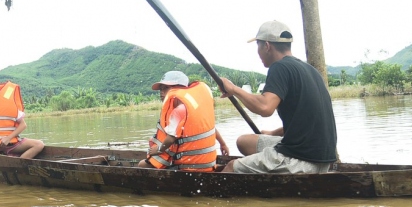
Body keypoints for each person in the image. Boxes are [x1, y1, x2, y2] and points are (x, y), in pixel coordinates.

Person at [218, 21, 338, 174]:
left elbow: (265, 107)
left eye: (258, 46)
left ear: (267, 46)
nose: (258, 52)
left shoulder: (279, 67)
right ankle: (265, 173)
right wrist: (273, 133)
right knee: (244, 142)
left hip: (301, 159)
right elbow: (308, 119)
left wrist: (234, 89)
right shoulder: (310, 70)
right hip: (322, 158)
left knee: (231, 167)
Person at [138, 71, 230, 171]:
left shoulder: (179, 111)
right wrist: (223, 144)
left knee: (142, 165)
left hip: (187, 167)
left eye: (166, 88)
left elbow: (171, 138)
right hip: (208, 164)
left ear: (180, 88)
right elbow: (211, 128)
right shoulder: (195, 107)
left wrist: (159, 149)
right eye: (161, 89)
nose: (162, 92)